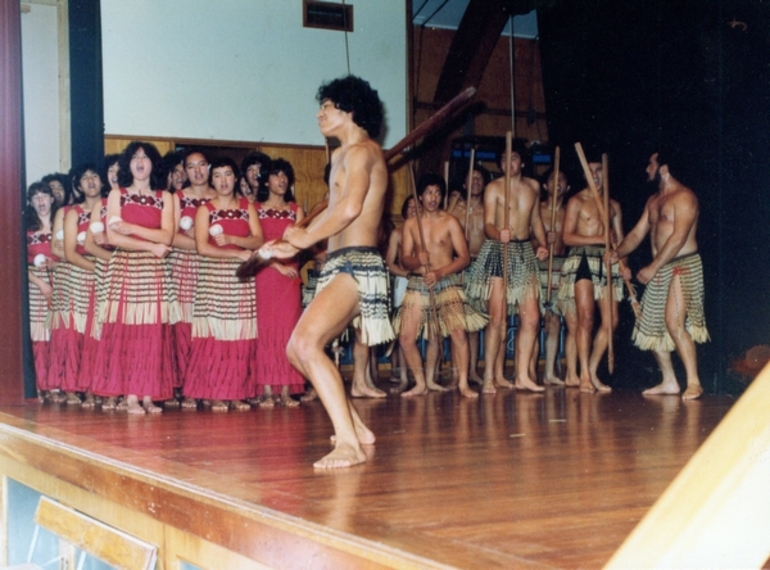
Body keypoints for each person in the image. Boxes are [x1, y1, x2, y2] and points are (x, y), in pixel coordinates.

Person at [263, 75, 393, 468]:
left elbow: (349, 209)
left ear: (350, 111)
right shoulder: (341, 156)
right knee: (295, 350)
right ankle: (356, 429)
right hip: (339, 264)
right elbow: (335, 212)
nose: (320, 113)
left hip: (358, 265)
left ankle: (349, 446)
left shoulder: (363, 152)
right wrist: (298, 238)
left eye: (328, 107)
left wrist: (301, 240)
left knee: (305, 344)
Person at [610, 151, 708, 400]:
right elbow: (636, 234)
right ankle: (669, 380)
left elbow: (678, 238)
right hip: (660, 267)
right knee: (649, 326)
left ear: (663, 168)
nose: (647, 169)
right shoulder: (653, 201)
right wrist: (616, 252)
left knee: (674, 323)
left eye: (650, 164)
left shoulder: (684, 197)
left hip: (682, 265)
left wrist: (653, 266)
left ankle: (694, 382)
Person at [92, 141, 179, 414]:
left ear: (153, 163)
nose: (140, 162)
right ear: (128, 164)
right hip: (126, 268)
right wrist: (150, 245)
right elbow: (114, 237)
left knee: (152, 333)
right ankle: (131, 396)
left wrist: (131, 228)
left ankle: (148, 395)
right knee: (129, 333)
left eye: (145, 157)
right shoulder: (117, 194)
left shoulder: (165, 196)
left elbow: (167, 235)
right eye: (134, 158)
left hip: (153, 272)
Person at [465, 141, 548, 393]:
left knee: (532, 317)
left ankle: (522, 375)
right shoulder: (494, 188)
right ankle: (489, 376)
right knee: (497, 318)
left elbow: (535, 220)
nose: (507, 163)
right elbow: (489, 222)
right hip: (498, 251)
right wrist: (497, 233)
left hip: (523, 252)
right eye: (503, 159)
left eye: (513, 159)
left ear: (521, 162)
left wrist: (542, 244)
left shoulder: (533, 187)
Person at [394, 173, 487, 399]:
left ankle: (464, 383)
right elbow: (405, 259)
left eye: (437, 193)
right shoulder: (410, 225)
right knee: (406, 337)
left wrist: (440, 272)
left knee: (458, 334)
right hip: (418, 283)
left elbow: (464, 258)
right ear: (421, 196)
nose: (433, 197)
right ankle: (420, 383)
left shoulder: (450, 222)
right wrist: (418, 261)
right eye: (428, 192)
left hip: (446, 282)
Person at [183, 157, 263, 411]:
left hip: (241, 279)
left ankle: (238, 392)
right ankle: (215, 392)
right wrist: (234, 252)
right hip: (213, 277)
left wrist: (232, 239)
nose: (223, 180)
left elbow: (259, 239)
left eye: (227, 174)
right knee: (215, 334)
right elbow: (202, 247)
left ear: (235, 177)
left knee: (240, 333)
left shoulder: (246, 206)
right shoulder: (204, 209)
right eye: (217, 175)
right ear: (210, 178)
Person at [558, 158, 625, 393]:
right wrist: (599, 239)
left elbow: (621, 241)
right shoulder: (577, 201)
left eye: (599, 171)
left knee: (611, 321)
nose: (595, 175)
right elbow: (566, 237)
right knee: (586, 318)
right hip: (582, 259)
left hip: (606, 263)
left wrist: (621, 261)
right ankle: (583, 373)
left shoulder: (614, 206)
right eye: (591, 171)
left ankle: (593, 370)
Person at [49, 164, 105, 406]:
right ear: (78, 186)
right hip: (77, 276)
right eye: (85, 178)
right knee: (74, 333)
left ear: (103, 181)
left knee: (98, 333)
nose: (91, 181)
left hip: (105, 276)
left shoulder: (112, 208)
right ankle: (71, 387)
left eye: (95, 176)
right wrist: (101, 269)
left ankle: (93, 388)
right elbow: (63, 250)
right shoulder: (70, 211)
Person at [253, 158, 306, 406]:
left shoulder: (296, 210)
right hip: (265, 275)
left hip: (290, 277)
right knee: (265, 332)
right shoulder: (255, 208)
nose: (282, 180)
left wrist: (285, 262)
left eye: (285, 175)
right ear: (266, 180)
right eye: (276, 175)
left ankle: (285, 390)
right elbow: (255, 245)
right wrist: (275, 264)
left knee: (287, 331)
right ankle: (266, 390)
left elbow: (300, 245)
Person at [168, 149, 217, 408]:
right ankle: (187, 387)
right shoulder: (177, 197)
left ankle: (209, 385)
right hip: (184, 265)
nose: (197, 171)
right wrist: (201, 244)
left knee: (210, 328)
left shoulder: (220, 196)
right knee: (185, 329)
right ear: (184, 171)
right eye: (191, 167)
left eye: (202, 165)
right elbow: (170, 235)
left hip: (214, 267)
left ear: (208, 168)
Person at [448, 163, 489, 384]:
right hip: (456, 265)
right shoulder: (454, 206)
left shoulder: (488, 209)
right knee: (457, 323)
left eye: (479, 178)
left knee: (474, 323)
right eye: (471, 178)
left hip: (479, 265)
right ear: (464, 183)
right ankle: (457, 374)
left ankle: (472, 370)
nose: (475, 182)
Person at [530, 167, 571, 386]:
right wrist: (543, 240)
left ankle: (548, 373)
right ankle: (528, 371)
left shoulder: (570, 211)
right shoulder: (537, 211)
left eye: (562, 179)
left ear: (568, 187)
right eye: (553, 179)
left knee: (554, 322)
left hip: (561, 267)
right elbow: (526, 242)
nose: (558, 183)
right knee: (534, 321)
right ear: (545, 186)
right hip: (539, 266)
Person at [25, 182, 60, 402]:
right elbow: (15, 262)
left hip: (61, 282)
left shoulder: (62, 224)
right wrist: (39, 282)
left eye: (44, 195)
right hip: (35, 285)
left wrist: (55, 266)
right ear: (30, 202)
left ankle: (56, 385)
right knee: (38, 335)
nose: (41, 201)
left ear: (52, 198)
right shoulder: (26, 228)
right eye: (36, 197)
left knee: (57, 335)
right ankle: (39, 384)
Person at [384, 196, 416, 393]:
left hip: (426, 283)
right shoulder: (397, 233)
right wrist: (407, 274)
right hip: (405, 283)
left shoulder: (426, 229)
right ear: (404, 210)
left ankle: (429, 377)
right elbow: (389, 263)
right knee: (404, 332)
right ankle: (404, 377)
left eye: (417, 207)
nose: (413, 209)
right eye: (410, 206)